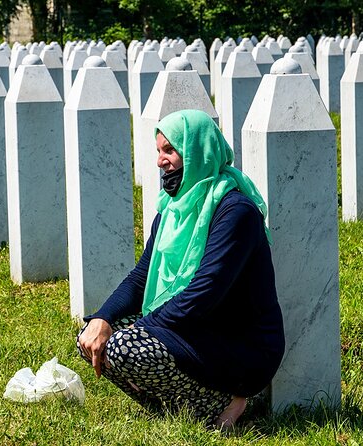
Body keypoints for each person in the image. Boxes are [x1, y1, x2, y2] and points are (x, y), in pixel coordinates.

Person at [76, 109, 285, 428]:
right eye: (159, 151)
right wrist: (103, 318)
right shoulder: (171, 210)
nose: (161, 160)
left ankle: (233, 399)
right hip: (194, 329)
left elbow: (204, 293)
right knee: (92, 338)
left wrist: (139, 329)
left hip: (238, 343)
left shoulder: (235, 212)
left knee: (123, 346)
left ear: (197, 151)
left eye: (170, 150)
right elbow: (140, 277)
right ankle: (179, 409)